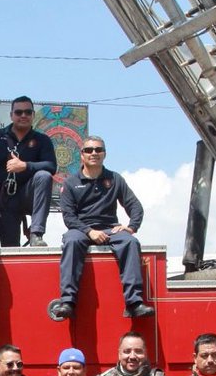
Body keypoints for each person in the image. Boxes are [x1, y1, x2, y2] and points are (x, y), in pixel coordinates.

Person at [52, 136, 153, 320]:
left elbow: (135, 206)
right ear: (82, 155)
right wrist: (89, 231)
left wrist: (131, 227)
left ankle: (134, 302)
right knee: (72, 241)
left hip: (109, 228)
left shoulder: (115, 179)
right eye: (89, 150)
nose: (94, 153)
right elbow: (69, 217)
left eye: (98, 150)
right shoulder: (70, 182)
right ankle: (68, 302)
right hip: (81, 229)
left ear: (104, 154)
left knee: (130, 242)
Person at [0, 96, 57, 247]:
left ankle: (36, 234)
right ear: (11, 115)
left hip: (28, 196)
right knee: (11, 248)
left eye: (28, 112)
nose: (23, 116)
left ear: (33, 115)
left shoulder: (42, 140)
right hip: (4, 201)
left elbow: (51, 166)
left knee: (44, 176)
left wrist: (25, 166)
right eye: (19, 112)